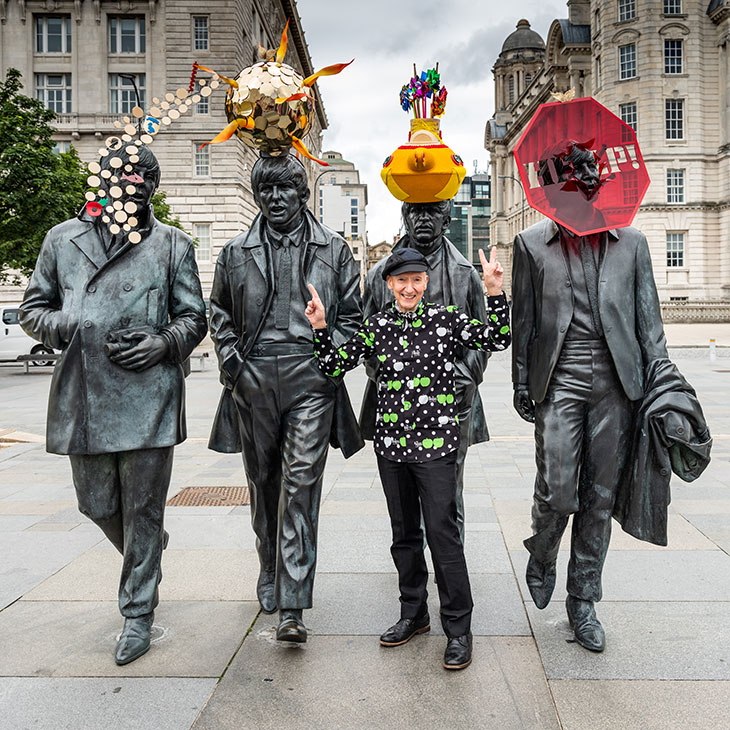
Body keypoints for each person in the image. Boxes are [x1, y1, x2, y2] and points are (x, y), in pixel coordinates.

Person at [19, 145, 208, 665]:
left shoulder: (172, 244)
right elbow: (33, 309)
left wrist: (164, 342)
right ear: (100, 182)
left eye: (144, 180)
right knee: (96, 503)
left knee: (143, 509)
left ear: (152, 189)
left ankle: (137, 613)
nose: (134, 185)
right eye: (123, 176)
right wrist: (72, 324)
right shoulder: (62, 238)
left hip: (149, 394)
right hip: (84, 392)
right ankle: (147, 546)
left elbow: (194, 317)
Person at [305, 246, 511, 670]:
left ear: (426, 283)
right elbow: (332, 364)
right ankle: (413, 613)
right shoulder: (376, 326)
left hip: (436, 447)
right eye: (402, 280)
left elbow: (498, 339)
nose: (410, 287)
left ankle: (458, 628)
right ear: (389, 284)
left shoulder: (446, 320)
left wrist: (494, 293)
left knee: (443, 535)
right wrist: (321, 326)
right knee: (404, 536)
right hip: (392, 448)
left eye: (417, 279)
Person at [511, 144, 669, 652]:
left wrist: (662, 384)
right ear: (557, 188)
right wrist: (520, 382)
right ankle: (544, 548)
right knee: (558, 490)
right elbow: (525, 323)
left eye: (589, 177)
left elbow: (651, 325)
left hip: (617, 383)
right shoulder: (532, 243)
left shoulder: (633, 244)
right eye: (572, 179)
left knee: (599, 497)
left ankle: (583, 600)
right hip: (559, 377)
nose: (583, 185)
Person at [208, 153, 363, 644]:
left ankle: (293, 602)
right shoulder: (235, 251)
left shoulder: (334, 250)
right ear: (258, 195)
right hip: (254, 377)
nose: (276, 199)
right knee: (264, 483)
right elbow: (218, 312)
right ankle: (269, 565)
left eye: (286, 190)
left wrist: (327, 351)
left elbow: (353, 321)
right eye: (267, 190)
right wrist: (234, 365)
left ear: (303, 193)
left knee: (300, 485)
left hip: (311, 377)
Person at [362, 200, 490, 541]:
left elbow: (484, 336)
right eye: (415, 211)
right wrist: (387, 373)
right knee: (404, 495)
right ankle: (412, 565)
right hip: (397, 404)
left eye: (432, 211)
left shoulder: (466, 275)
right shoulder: (378, 277)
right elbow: (365, 338)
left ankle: (451, 564)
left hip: (453, 401)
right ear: (404, 216)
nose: (423, 218)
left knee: (449, 489)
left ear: (446, 218)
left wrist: (463, 375)